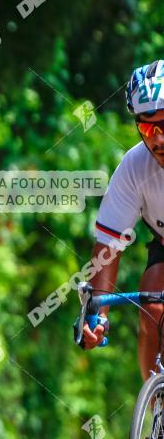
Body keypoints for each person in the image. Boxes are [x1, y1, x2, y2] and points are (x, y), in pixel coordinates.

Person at [79, 59, 164, 382]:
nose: (158, 140)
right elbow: (109, 247)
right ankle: (160, 417)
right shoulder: (134, 168)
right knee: (152, 302)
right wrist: (97, 315)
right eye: (147, 128)